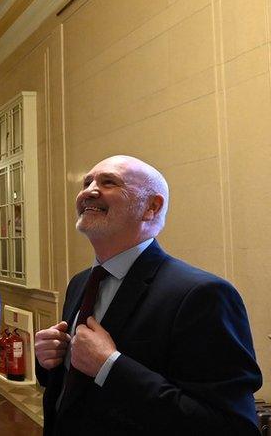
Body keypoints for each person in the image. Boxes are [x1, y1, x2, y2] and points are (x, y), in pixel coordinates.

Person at [34, 155, 262, 435]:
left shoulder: (203, 295)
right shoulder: (80, 283)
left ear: (151, 208)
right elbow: (73, 391)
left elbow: (231, 427)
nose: (89, 190)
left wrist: (110, 367)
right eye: (87, 182)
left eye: (108, 182)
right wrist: (50, 361)